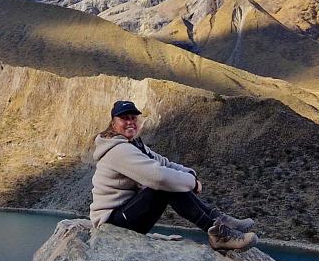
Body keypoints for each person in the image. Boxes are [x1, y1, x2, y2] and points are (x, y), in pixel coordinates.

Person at [89, 100, 258, 251]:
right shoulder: (119, 150)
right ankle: (218, 233)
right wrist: (192, 182)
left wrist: (189, 172)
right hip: (111, 222)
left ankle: (219, 220)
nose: (130, 122)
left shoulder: (134, 144)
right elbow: (159, 177)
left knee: (169, 182)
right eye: (124, 118)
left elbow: (164, 163)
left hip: (126, 214)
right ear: (113, 123)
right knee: (163, 186)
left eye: (133, 118)